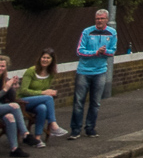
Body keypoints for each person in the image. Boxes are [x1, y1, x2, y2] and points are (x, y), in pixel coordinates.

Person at [69, 8, 116, 139]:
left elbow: (112, 51)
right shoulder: (87, 32)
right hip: (84, 71)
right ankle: (75, 129)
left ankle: (90, 128)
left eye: (102, 18)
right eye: (97, 19)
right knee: (79, 101)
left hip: (100, 71)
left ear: (106, 20)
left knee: (95, 102)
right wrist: (95, 52)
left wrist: (103, 52)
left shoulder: (112, 33)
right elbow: (79, 51)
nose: (99, 21)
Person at [16, 48, 68, 141]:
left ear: (52, 60)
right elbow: (23, 90)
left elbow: (44, 90)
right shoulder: (31, 71)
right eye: (43, 57)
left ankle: (37, 138)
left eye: (48, 58)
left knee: (42, 108)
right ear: (40, 58)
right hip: (24, 101)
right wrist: (43, 93)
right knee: (48, 98)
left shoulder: (50, 74)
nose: (45, 60)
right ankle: (53, 125)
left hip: (38, 101)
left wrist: (50, 91)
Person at [0, 56, 36, 155]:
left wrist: (13, 87)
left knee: (10, 117)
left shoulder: (3, 79)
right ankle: (25, 134)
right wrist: (6, 88)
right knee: (15, 106)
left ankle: (14, 149)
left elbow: (11, 98)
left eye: (3, 66)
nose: (1, 68)